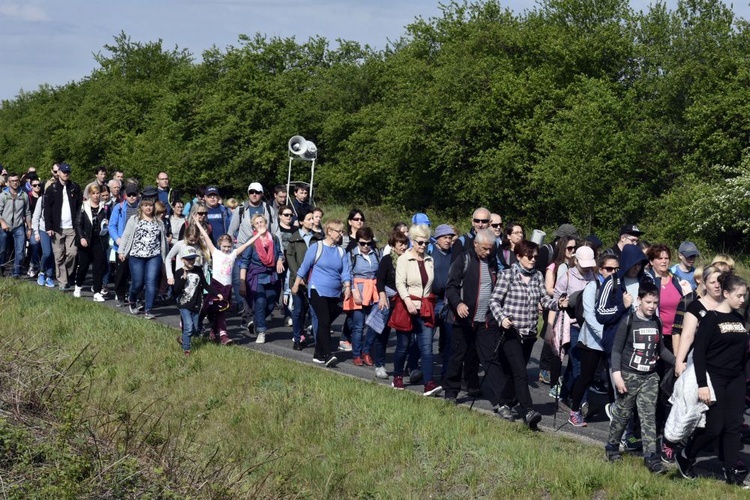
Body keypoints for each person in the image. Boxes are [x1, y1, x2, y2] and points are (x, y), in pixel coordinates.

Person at [675, 273, 749, 487]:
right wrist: (702, 384)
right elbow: (699, 354)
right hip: (713, 378)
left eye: (744, 296)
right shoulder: (710, 318)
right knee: (714, 428)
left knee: (734, 426)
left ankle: (731, 473)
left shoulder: (739, 318)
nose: (742, 300)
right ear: (726, 293)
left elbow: (743, 352)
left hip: (735, 379)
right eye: (739, 295)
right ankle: (687, 454)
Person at [488, 240, 568, 428]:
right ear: (518, 256)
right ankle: (528, 410)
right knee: (520, 372)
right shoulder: (507, 275)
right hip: (511, 332)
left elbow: (544, 299)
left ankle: (504, 403)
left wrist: (558, 304)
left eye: (535, 257)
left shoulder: (537, 276)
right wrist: (502, 318)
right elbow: (494, 301)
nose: (533, 260)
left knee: (513, 372)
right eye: (529, 256)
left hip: (529, 333)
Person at [604, 281, 674, 474]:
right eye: (648, 302)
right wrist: (617, 376)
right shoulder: (628, 321)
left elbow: (661, 350)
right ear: (639, 300)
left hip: (650, 377)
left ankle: (651, 457)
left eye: (655, 302)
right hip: (628, 376)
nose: (652, 306)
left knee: (648, 416)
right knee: (622, 415)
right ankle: (611, 447)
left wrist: (678, 362)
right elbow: (616, 351)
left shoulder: (656, 322)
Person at [443, 228, 497, 403]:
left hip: (484, 319)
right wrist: (458, 303)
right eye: (485, 248)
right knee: (458, 354)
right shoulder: (463, 260)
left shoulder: (492, 262)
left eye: (490, 248)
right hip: (464, 318)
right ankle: (451, 391)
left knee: (476, 355)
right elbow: (450, 286)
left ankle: (473, 386)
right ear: (475, 244)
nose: (488, 252)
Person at [568, 254, 620, 427]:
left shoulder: (619, 287)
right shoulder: (593, 286)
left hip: (612, 341)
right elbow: (589, 316)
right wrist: (606, 334)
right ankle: (574, 411)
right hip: (592, 341)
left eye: (616, 269)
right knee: (586, 377)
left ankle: (617, 413)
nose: (613, 273)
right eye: (609, 269)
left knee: (615, 378)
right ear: (600, 269)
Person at [391, 224, 442, 396]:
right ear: (412, 241)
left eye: (426, 243)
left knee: (426, 348)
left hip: (425, 308)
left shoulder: (429, 260)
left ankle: (429, 383)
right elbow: (400, 283)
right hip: (407, 307)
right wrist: (407, 301)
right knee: (403, 346)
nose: (423, 246)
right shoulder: (404, 259)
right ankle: (397, 376)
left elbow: (429, 286)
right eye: (420, 242)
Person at [292, 219, 352, 367]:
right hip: (317, 289)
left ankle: (318, 353)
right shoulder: (316, 247)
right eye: (339, 231)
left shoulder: (340, 251)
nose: (341, 234)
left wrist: (348, 286)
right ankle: (327, 355)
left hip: (335, 292)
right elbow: (304, 266)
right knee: (324, 320)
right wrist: (295, 284)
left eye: (342, 231)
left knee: (326, 322)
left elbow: (345, 271)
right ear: (329, 231)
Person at [549, 245, 596, 410]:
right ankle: (582, 401)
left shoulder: (594, 278)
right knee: (578, 365)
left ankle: (563, 395)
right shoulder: (567, 277)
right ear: (576, 261)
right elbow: (554, 300)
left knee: (573, 365)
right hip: (571, 326)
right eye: (584, 264)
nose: (587, 267)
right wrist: (551, 325)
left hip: (588, 327)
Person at [118, 198, 168, 320]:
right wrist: (122, 251)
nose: (148, 208)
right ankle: (132, 299)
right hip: (136, 255)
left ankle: (148, 310)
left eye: (150, 205)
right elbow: (126, 235)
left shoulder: (159, 222)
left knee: (151, 282)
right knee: (138, 282)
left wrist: (164, 259)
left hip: (154, 256)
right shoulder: (134, 220)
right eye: (145, 205)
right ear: (141, 207)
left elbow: (163, 242)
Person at [238, 214, 285, 344]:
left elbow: (280, 253)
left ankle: (256, 320)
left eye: (262, 222)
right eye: (257, 223)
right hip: (256, 276)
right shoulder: (251, 241)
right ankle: (261, 331)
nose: (260, 225)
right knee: (260, 302)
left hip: (272, 276)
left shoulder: (274, 238)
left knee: (270, 304)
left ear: (266, 224)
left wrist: (280, 259)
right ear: (254, 226)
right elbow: (244, 262)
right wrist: (242, 283)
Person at [286, 208, 323, 350]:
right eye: (309, 219)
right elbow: (290, 258)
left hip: (313, 281)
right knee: (298, 310)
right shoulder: (294, 238)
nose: (312, 221)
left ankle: (319, 339)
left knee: (314, 311)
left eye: (313, 218)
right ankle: (298, 337)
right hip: (297, 281)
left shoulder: (318, 238)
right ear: (301, 222)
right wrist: (298, 276)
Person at [343, 226, 381, 366]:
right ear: (357, 242)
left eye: (368, 243)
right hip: (358, 290)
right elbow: (348, 274)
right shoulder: (352, 254)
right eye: (362, 243)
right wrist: (353, 290)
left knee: (373, 324)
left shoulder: (376, 253)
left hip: (373, 291)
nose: (365, 246)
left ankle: (366, 351)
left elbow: (379, 273)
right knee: (358, 326)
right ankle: (356, 354)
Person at [645, 244, 690, 354]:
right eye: (659, 258)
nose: (664, 261)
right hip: (658, 334)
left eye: (666, 258)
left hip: (678, 333)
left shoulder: (676, 279)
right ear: (651, 261)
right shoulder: (648, 281)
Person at [43, 163, 82, 290]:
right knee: (58, 256)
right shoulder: (52, 188)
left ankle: (66, 274)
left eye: (68, 172)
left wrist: (79, 224)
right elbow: (47, 209)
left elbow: (79, 207)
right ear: (58, 173)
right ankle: (62, 282)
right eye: (64, 172)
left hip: (71, 227)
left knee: (72, 254)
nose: (66, 174)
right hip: (57, 228)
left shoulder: (75, 187)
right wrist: (49, 227)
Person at [73, 184, 110, 301]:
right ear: (89, 194)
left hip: (99, 240)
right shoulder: (84, 206)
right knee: (83, 266)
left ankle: (97, 292)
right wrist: (82, 237)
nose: (96, 195)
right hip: (86, 241)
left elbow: (108, 221)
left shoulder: (104, 207)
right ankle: (78, 286)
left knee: (98, 267)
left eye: (97, 193)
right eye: (93, 193)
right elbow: (78, 224)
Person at [430, 224, 456, 382]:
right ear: (437, 238)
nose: (448, 241)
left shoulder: (454, 254)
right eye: (445, 237)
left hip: (448, 300)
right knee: (425, 336)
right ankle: (414, 367)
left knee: (449, 339)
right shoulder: (431, 252)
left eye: (450, 238)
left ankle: (445, 374)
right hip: (432, 299)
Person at [174, 245, 209, 356]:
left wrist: (216, 293)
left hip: (196, 304)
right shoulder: (179, 272)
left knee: (194, 330)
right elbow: (176, 290)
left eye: (193, 258)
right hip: (184, 304)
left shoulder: (198, 270)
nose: (191, 261)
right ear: (182, 260)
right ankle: (186, 350)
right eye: (188, 259)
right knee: (188, 327)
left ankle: (184, 339)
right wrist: (183, 279)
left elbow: (205, 284)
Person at [0, 172, 31, 278]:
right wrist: (3, 223)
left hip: (19, 226)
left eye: (16, 180)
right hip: (5, 226)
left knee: (20, 251)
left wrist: (29, 228)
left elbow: (27, 212)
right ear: (8, 183)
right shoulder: (3, 195)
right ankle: (1, 269)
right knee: (2, 250)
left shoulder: (24, 195)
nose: (14, 183)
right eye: (12, 181)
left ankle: (16, 272)